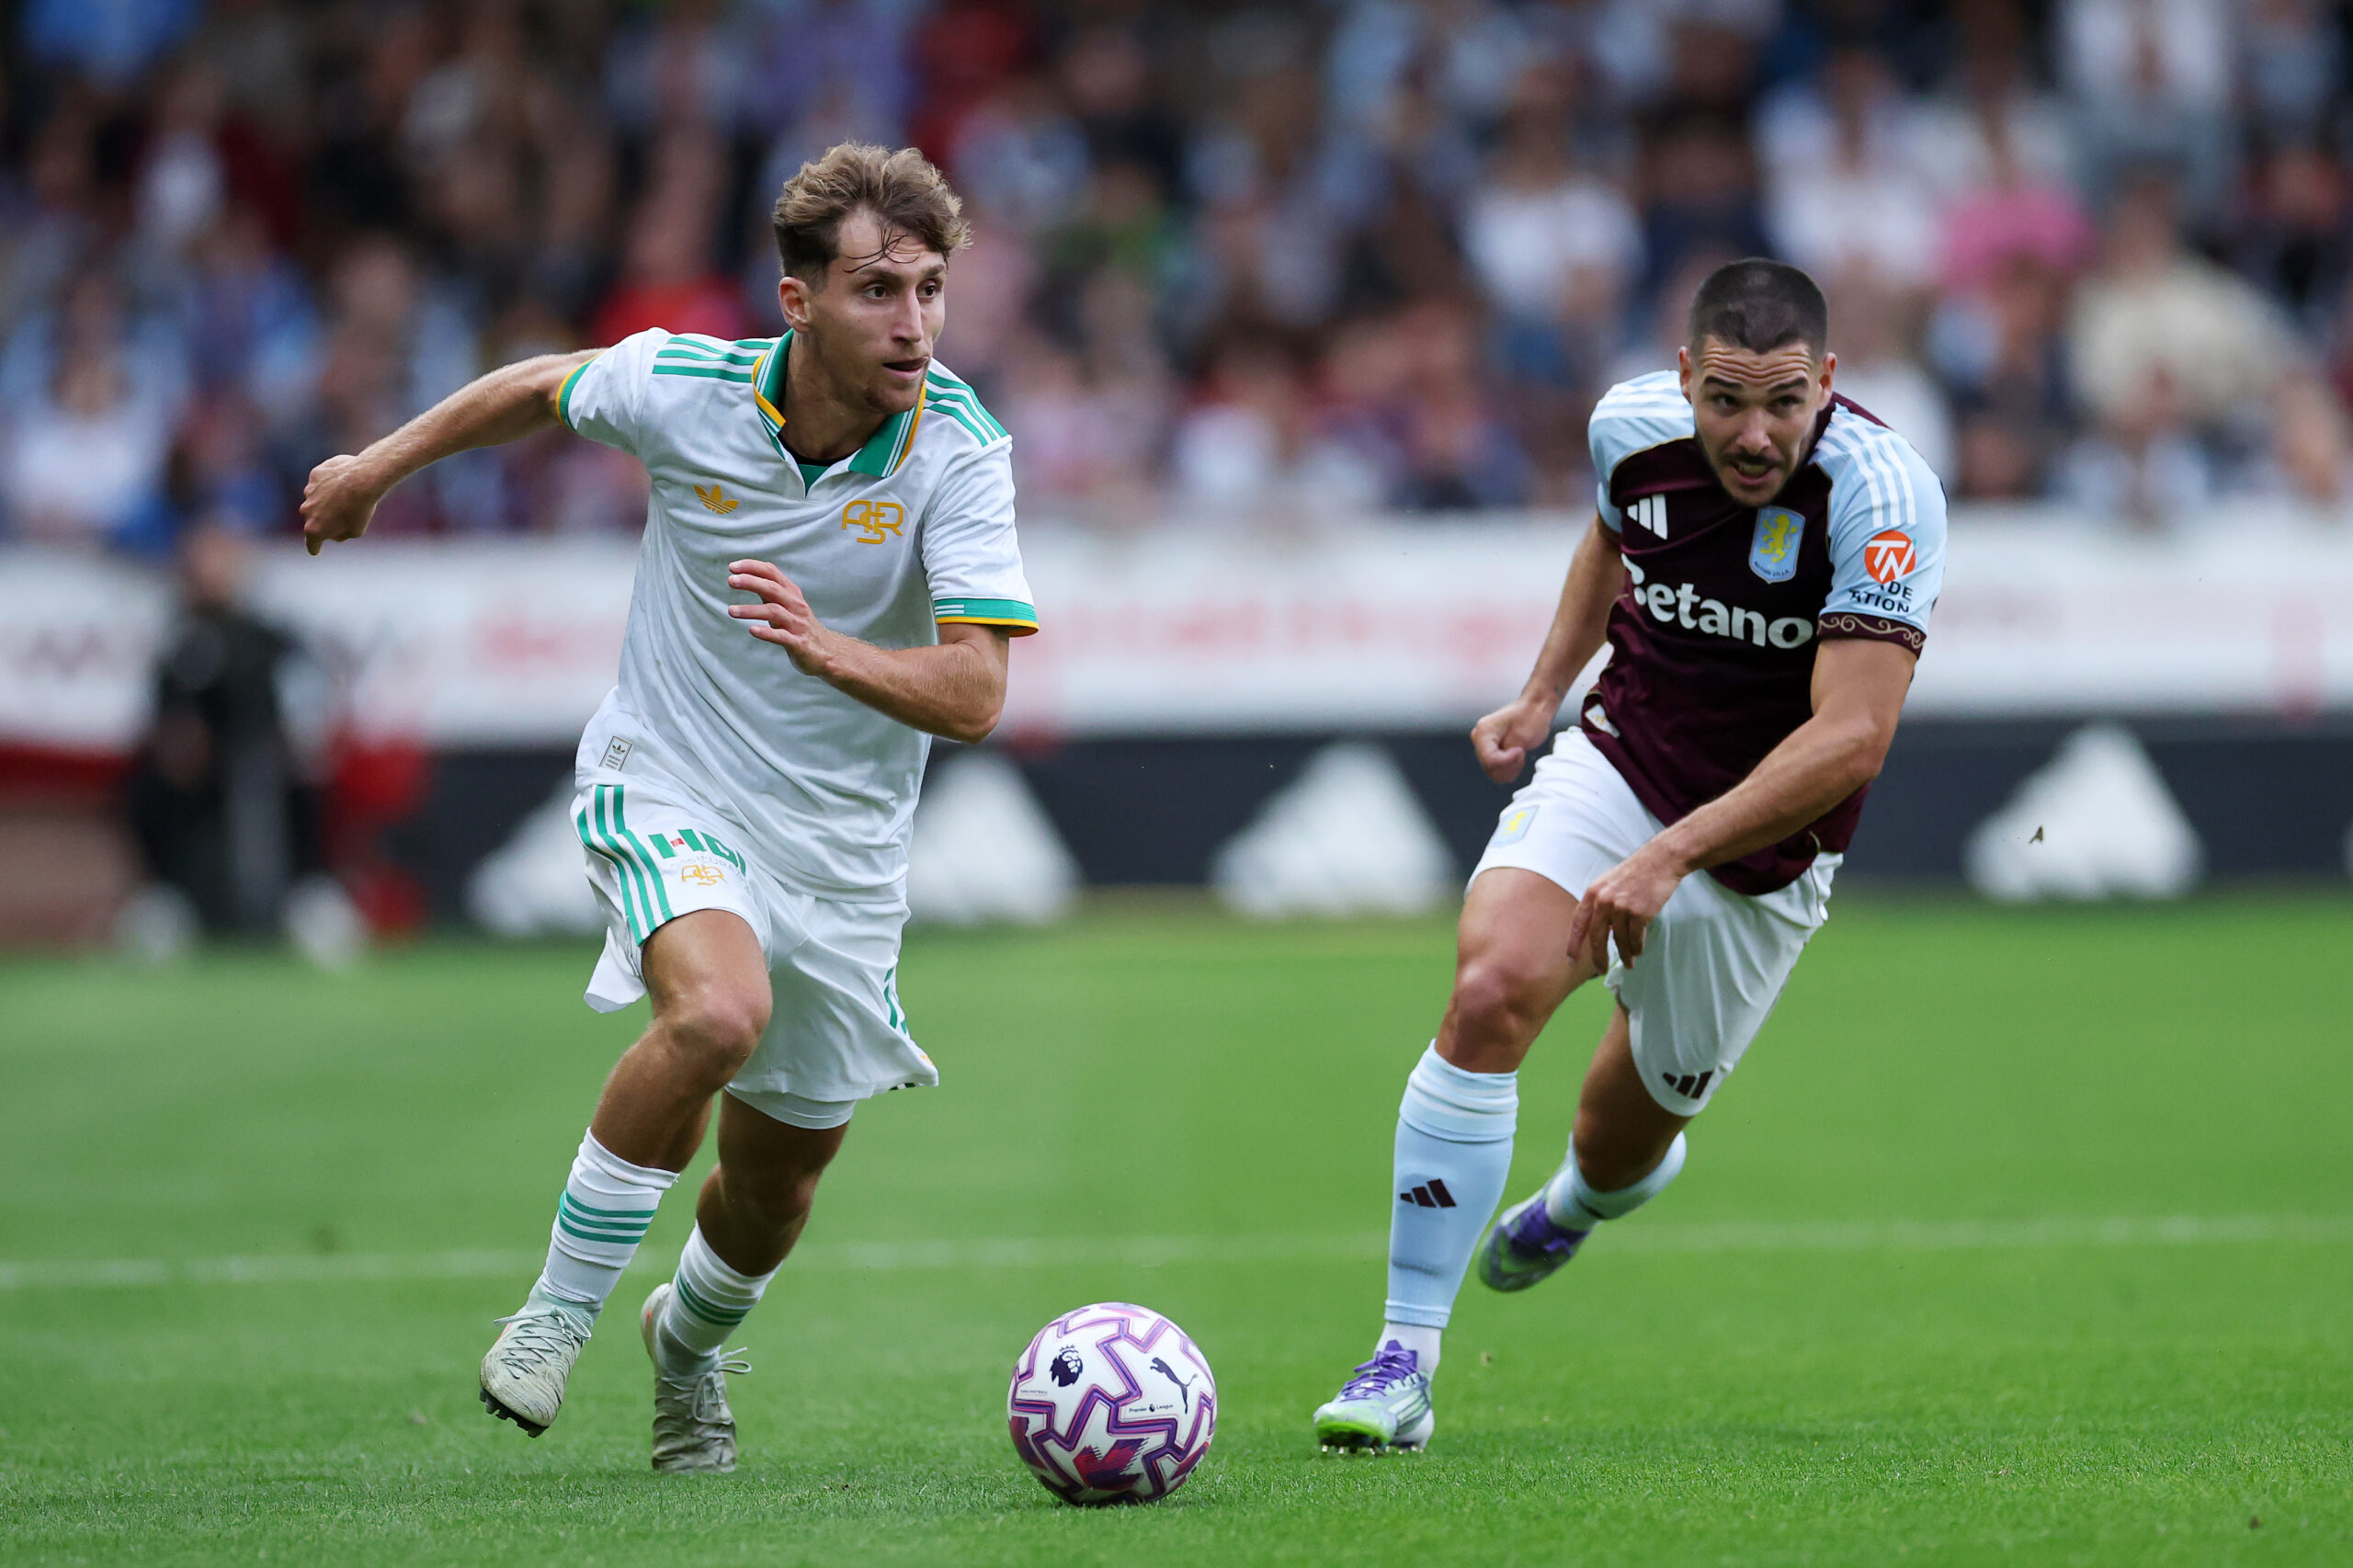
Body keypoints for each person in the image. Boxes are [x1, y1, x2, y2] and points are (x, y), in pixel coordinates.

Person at [299, 144, 1037, 1473]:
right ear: (797, 299)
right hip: (670, 779)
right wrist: (374, 468)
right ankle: (552, 1318)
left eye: (929, 290)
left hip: (844, 850)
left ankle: (685, 1348)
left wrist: (833, 652)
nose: (913, 323)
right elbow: (534, 386)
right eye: (878, 289)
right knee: (715, 1012)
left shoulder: (961, 451)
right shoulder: (685, 386)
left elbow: (979, 690)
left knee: (774, 1193)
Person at [1310, 258, 1946, 1451]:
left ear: (1828, 383)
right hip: (1622, 762)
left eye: (1785, 403)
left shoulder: (1886, 495)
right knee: (1492, 987)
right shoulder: (1628, 427)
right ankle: (1403, 1359)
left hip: (1764, 853)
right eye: (1726, 402)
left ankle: (1585, 1198)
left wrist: (1675, 856)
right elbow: (1611, 542)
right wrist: (1543, 690)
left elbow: (1853, 736)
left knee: (1616, 1139)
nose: (1754, 436)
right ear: (1685, 378)